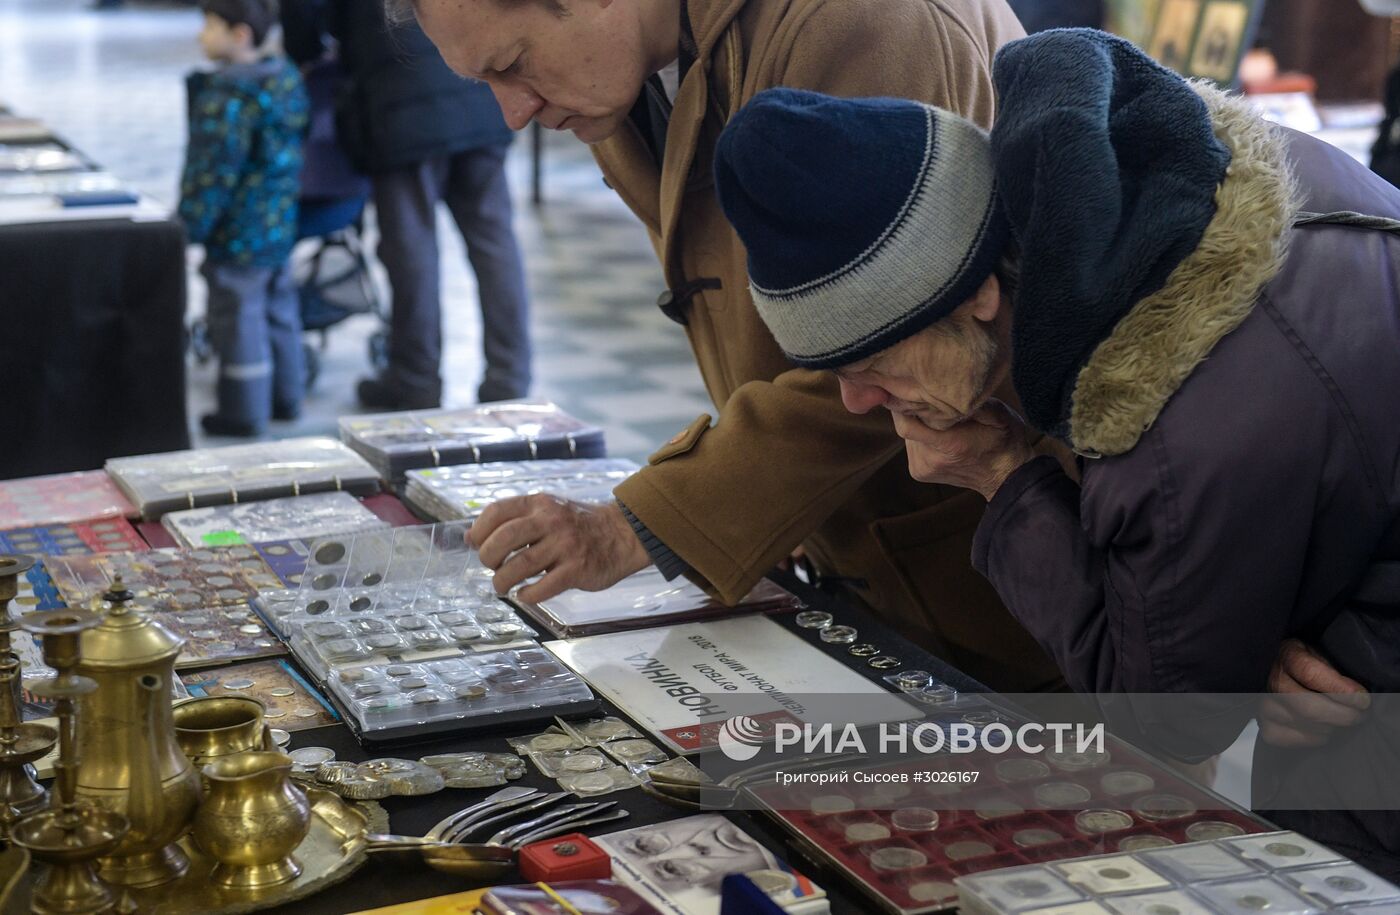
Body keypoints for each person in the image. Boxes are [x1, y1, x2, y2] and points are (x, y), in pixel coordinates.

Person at [712, 30, 1400, 871]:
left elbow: (1170, 723)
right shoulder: (1159, 203)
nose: (857, 401)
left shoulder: (1178, 414)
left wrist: (1003, 477)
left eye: (870, 363)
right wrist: (1257, 625)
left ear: (979, 296)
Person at [392, 0, 1072, 693]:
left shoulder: (859, 20)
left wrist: (638, 525)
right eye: (486, 83)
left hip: (1005, 568)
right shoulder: (617, 69)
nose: (513, 112)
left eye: (514, 64)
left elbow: (899, 347)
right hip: (858, 541)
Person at [284, 0, 532, 410]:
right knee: (494, 243)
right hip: (477, 91)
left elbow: (302, 21)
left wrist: (306, 48)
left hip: (397, 99)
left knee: (411, 248)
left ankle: (415, 378)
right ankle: (510, 378)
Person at [179, 0, 308, 437]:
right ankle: (288, 399)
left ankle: (243, 411)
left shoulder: (226, 97)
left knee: (237, 322)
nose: (201, 36)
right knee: (279, 312)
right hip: (278, 227)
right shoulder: (285, 80)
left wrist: (188, 227)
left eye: (209, 27)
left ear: (239, 36)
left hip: (237, 236)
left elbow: (210, 175)